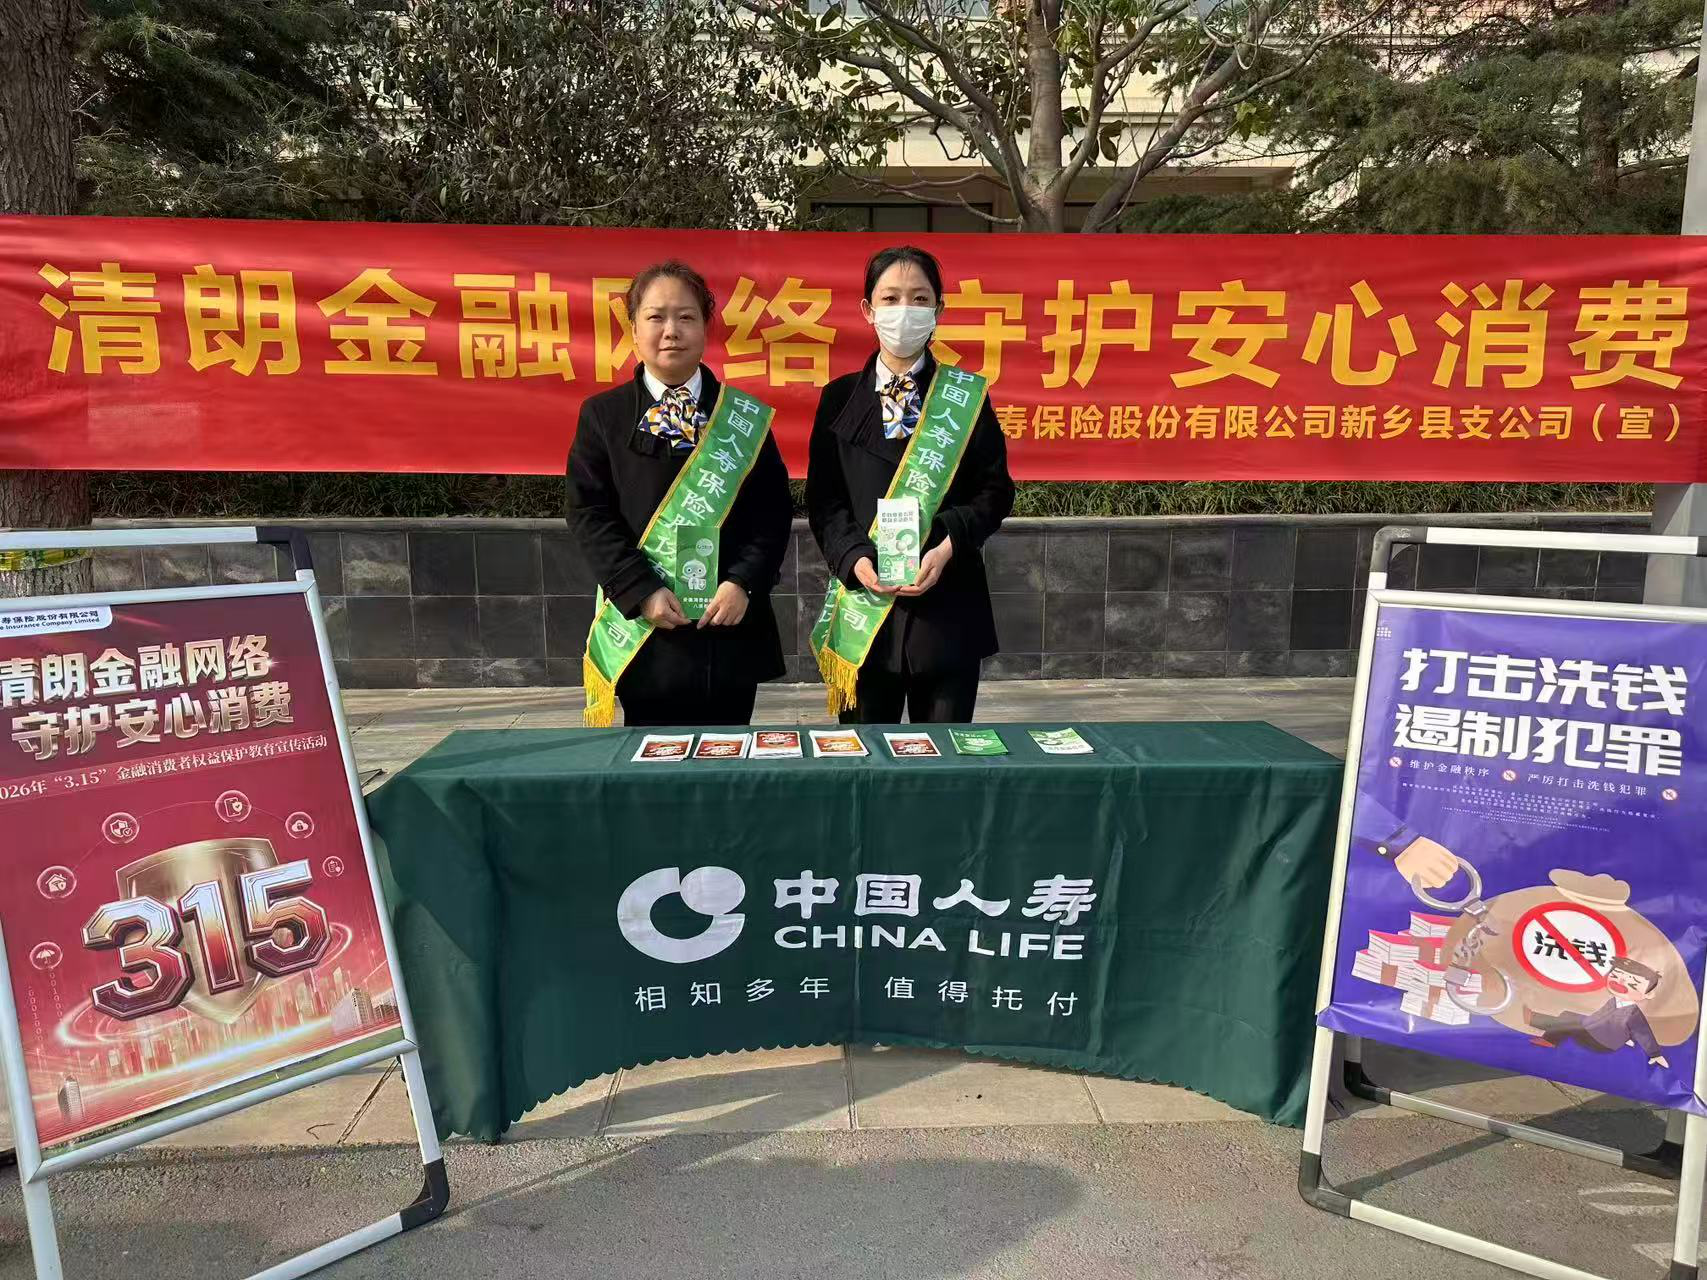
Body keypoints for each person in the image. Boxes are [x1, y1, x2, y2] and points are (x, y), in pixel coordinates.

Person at [566, 260, 791, 727]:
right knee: (653, 758)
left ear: (706, 327)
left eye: (686, 317)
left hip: (728, 624)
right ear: (633, 329)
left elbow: (772, 513)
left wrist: (742, 583)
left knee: (729, 755)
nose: (671, 331)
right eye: (656, 317)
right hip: (647, 629)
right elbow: (590, 513)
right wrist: (642, 591)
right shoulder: (604, 416)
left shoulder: (742, 416)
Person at [805, 245, 1014, 724]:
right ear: (868, 310)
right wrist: (855, 558)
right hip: (865, 612)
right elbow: (825, 500)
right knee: (863, 757)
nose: (905, 311)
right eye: (891, 298)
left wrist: (947, 544)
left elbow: (995, 491)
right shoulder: (838, 398)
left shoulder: (966, 396)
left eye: (920, 299)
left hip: (948, 612)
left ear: (939, 309)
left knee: (942, 758)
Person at [1526, 957, 1669, 1068]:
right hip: (1594, 1028)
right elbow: (1615, 1022)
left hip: (1601, 1043)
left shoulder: (1633, 1014)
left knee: (1569, 1022)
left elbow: (1643, 1033)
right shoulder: (1614, 1000)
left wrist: (1655, 1054)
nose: (1620, 982)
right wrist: (1626, 1036)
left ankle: (1549, 1039)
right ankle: (1533, 1019)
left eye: (1633, 983)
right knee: (1567, 1016)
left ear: (1649, 994)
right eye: (1616, 975)